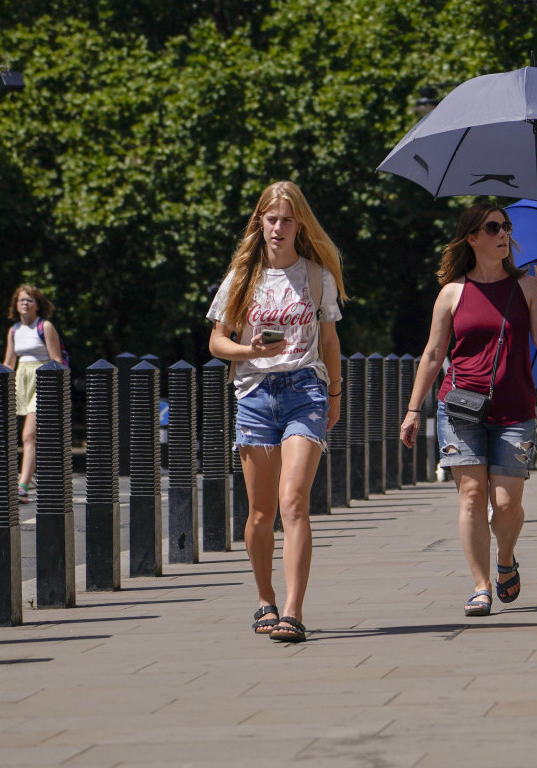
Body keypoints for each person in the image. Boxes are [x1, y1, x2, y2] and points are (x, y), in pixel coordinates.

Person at [400, 202, 537, 617]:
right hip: (461, 407)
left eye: (506, 226)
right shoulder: (453, 292)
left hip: (516, 409)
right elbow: (434, 354)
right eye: (492, 227)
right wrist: (414, 409)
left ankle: (506, 558)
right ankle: (481, 585)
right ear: (472, 237)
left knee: (506, 504)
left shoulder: (526, 286)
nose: (503, 233)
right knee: (471, 495)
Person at [207, 180, 345, 644]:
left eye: (287, 219)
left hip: (305, 389)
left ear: (298, 224)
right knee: (261, 513)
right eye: (271, 219)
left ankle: (292, 610)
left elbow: (329, 341)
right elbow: (216, 342)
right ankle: (265, 597)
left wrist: (335, 394)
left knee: (294, 502)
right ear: (260, 223)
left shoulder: (317, 276)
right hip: (254, 394)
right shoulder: (241, 279)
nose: (279, 228)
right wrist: (246, 349)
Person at [2, 284, 64, 502]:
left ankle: (22, 485)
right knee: (26, 436)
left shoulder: (45, 326)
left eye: (29, 300)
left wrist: (53, 388)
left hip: (42, 381)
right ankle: (45, 477)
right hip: (21, 382)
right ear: (16, 305)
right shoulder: (14, 330)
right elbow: (9, 363)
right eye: (21, 300)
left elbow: (56, 360)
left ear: (38, 305)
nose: (25, 304)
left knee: (29, 435)